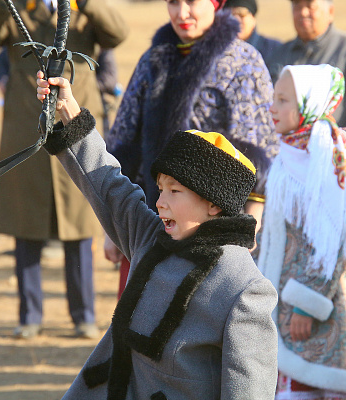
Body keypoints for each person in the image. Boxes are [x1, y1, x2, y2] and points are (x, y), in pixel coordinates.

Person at [36, 71, 278, 399]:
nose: (160, 202)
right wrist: (68, 111)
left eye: (175, 191)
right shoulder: (150, 237)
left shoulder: (244, 288)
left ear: (213, 204)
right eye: (160, 189)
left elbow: (249, 391)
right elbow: (109, 185)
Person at [0, 0, 129, 339]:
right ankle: (30, 316)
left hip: (73, 126)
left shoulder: (82, 8)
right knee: (26, 226)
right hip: (25, 130)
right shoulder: (18, 9)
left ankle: (83, 315)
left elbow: (117, 33)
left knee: (78, 228)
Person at [104, 0, 279, 297]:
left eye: (192, 2)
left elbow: (259, 149)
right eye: (173, 2)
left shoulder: (242, 61)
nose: (182, 13)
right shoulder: (153, 59)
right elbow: (124, 141)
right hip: (152, 218)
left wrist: (252, 220)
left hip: (216, 227)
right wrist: (114, 226)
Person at [257, 64, 346, 399]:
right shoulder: (288, 154)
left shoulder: (328, 157)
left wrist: (308, 304)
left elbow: (336, 239)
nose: (272, 107)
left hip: (323, 306)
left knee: (324, 385)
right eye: (274, 98)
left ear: (309, 104)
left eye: (283, 100)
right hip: (285, 302)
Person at [267, 0, 346, 151]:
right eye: (297, 6)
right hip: (287, 155)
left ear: (330, 12)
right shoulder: (279, 55)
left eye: (310, 6)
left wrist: (345, 144)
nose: (303, 12)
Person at [223, 0, 282, 67]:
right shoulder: (218, 51)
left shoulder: (275, 49)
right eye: (231, 15)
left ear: (253, 19)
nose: (236, 20)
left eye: (241, 15)